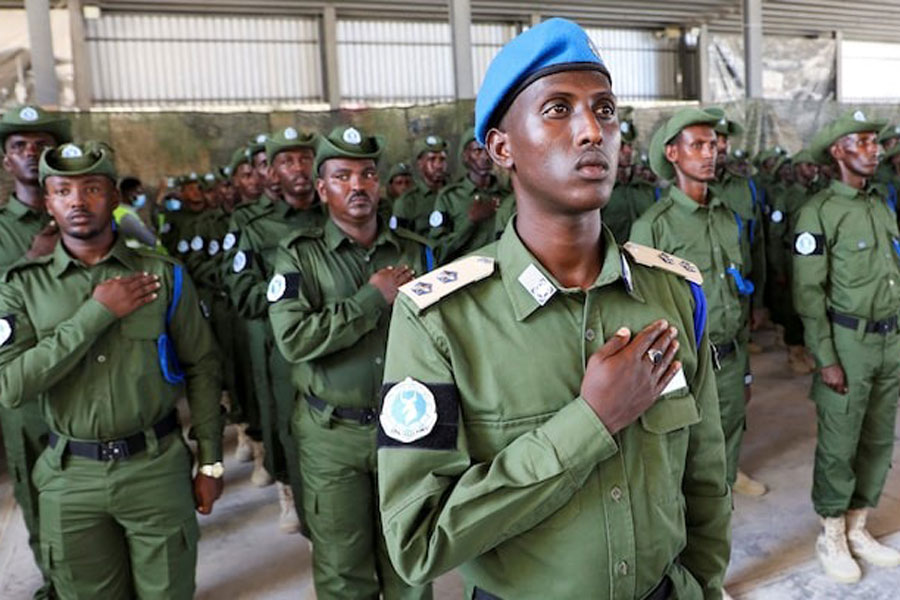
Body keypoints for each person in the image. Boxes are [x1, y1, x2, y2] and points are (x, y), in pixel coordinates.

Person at [377, 18, 730, 599]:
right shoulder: (439, 319)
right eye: (558, 110)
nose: (592, 130)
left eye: (606, 109)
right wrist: (589, 422)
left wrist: (703, 587)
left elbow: (706, 481)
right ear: (501, 147)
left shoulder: (673, 292)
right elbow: (418, 542)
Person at [0, 141, 224, 599]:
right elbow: (10, 386)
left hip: (155, 469)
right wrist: (95, 315)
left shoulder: (163, 276)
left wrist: (212, 462)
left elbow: (202, 367)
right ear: (48, 203)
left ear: (115, 197)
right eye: (63, 191)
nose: (77, 202)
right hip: (70, 479)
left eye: (92, 189)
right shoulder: (22, 287)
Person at [269, 125, 433, 599]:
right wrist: (370, 300)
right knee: (344, 571)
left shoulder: (415, 251)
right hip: (332, 436)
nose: (357, 186)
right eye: (342, 176)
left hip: (408, 429)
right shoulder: (299, 257)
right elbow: (294, 340)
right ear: (322, 189)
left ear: (378, 185)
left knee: (411, 561)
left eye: (366, 175)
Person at [632, 108, 764, 507]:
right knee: (686, 443)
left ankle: (726, 479)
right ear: (673, 154)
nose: (710, 153)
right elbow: (642, 310)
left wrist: (744, 358)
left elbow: (736, 287)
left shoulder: (727, 217)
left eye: (712, 145)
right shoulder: (654, 226)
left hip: (730, 351)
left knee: (731, 422)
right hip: (686, 360)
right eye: (698, 145)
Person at [793, 109, 900, 583]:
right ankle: (831, 531)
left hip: (889, 339)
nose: (873, 149)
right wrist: (826, 357)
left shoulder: (881, 205)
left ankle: (859, 525)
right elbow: (808, 294)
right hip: (848, 342)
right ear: (838, 152)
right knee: (840, 442)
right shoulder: (818, 212)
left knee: (878, 437)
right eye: (861, 142)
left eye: (875, 143)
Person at [227, 125, 326, 533]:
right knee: (287, 430)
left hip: (342, 345)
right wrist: (293, 304)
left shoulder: (338, 214)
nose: (298, 167)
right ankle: (293, 497)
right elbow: (244, 295)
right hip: (283, 349)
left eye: (305, 157)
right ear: (272, 174)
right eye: (286, 160)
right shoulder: (255, 228)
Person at [0, 103, 71, 600]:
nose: (30, 154)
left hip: (88, 383)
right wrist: (27, 263)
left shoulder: (83, 214)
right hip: (26, 388)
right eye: (19, 147)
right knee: (38, 493)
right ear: (6, 162)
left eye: (41, 146)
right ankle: (57, 583)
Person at [428, 127, 511, 261]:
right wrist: (471, 221)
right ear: (466, 156)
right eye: (477, 151)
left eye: (487, 150)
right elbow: (438, 252)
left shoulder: (508, 195)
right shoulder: (450, 198)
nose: (485, 157)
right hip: (469, 276)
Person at [601, 107, 656, 242]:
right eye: (621, 145)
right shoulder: (600, 191)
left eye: (630, 146)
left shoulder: (645, 187)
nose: (628, 151)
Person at [390, 135, 449, 235]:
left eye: (442, 159)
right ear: (420, 163)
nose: (438, 165)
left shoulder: (457, 194)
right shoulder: (406, 202)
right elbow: (400, 242)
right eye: (432, 159)